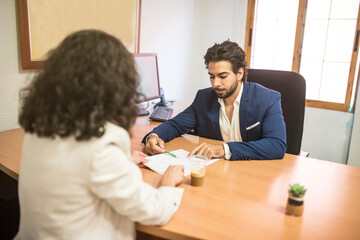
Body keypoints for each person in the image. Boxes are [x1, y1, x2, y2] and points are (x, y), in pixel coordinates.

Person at [16, 30, 184, 240]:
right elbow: (154, 211)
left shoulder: (39, 126)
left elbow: (76, 168)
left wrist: (121, 162)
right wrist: (168, 182)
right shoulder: (103, 141)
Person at [143, 40, 287, 160]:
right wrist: (154, 136)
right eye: (212, 76)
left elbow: (276, 145)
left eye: (222, 76)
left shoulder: (268, 99)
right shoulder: (204, 98)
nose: (215, 83)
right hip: (216, 172)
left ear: (239, 73)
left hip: (252, 172)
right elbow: (175, 125)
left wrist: (224, 149)